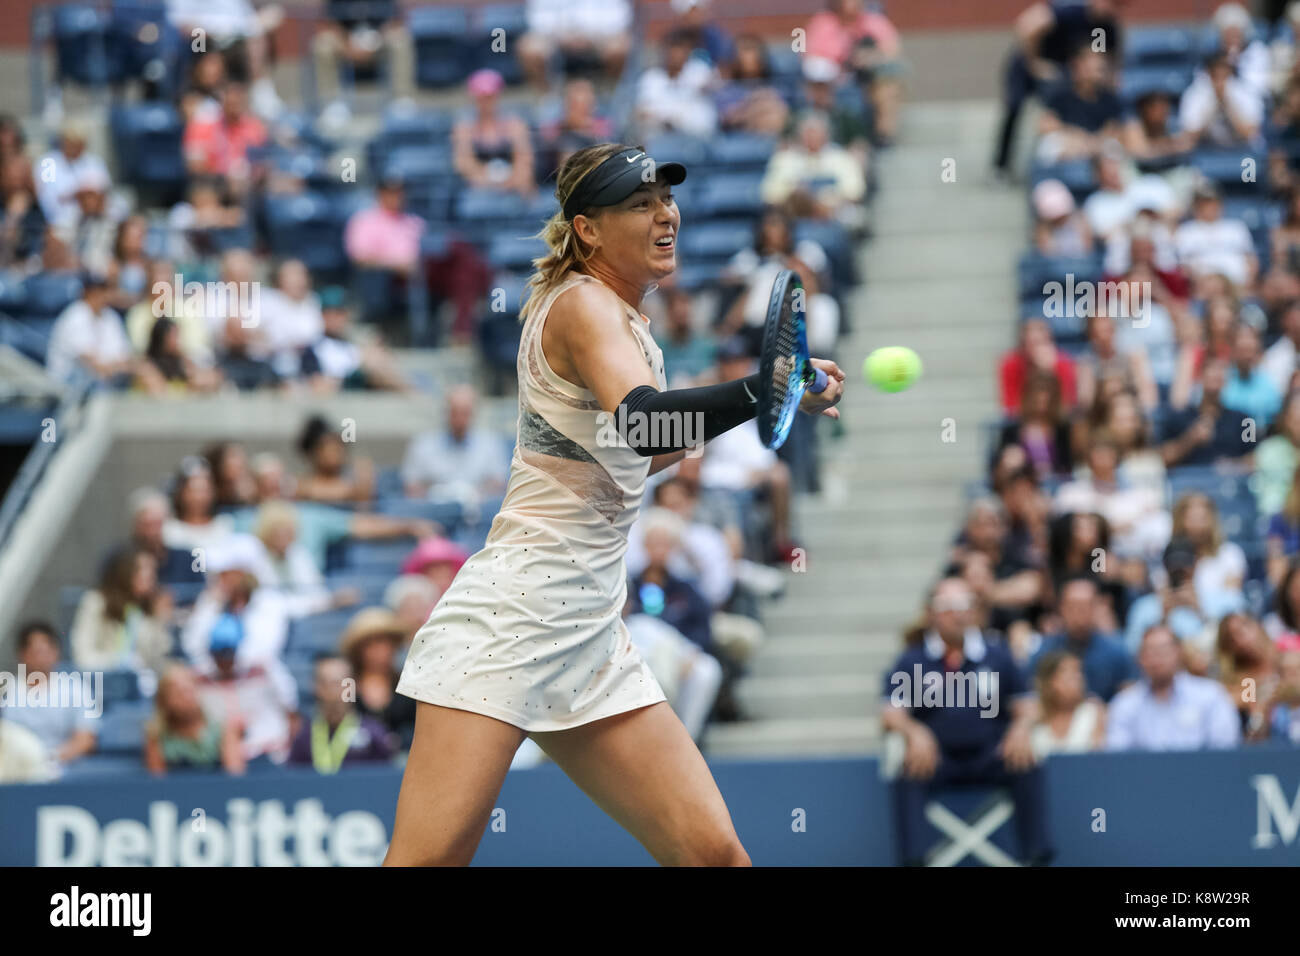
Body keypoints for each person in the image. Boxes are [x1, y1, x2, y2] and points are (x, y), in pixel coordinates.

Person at [384, 141, 843, 867]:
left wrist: (774, 389)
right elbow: (645, 421)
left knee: (714, 856)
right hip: (510, 619)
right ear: (588, 229)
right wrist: (760, 390)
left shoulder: (630, 328)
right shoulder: (583, 306)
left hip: (589, 631)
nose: (667, 215)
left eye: (667, 199)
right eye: (641, 203)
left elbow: (647, 452)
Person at [881, 578, 1052, 867]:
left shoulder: (997, 653)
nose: (958, 614)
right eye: (948, 606)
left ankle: (1036, 855)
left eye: (964, 605)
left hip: (992, 755)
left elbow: (1028, 705)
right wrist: (915, 732)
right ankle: (912, 860)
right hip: (936, 759)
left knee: (1027, 761)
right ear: (931, 612)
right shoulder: (911, 661)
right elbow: (890, 713)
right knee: (907, 771)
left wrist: (1021, 728)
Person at [992, 0, 1124, 176]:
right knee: (1015, 106)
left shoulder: (1107, 28)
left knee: (1066, 102)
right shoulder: (1071, 12)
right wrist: (1034, 63)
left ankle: (1066, 161)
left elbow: (1111, 61)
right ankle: (1001, 166)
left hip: (1063, 71)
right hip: (1030, 67)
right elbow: (1027, 25)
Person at [1105, 624, 1242, 750]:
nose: (1156, 658)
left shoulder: (1210, 695)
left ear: (1179, 652)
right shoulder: (1124, 703)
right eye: (1149, 652)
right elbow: (1118, 755)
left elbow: (1225, 749)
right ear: (1140, 658)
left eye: (1162, 650)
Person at [4, 623, 98, 771]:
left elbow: (85, 740)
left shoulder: (75, 689)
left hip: (62, 768)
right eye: (35, 651)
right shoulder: (6, 690)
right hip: (15, 769)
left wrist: (50, 758)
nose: (41, 657)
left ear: (56, 652)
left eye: (46, 651)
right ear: (22, 654)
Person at [69, 546, 173, 677]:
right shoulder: (96, 602)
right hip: (102, 681)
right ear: (126, 572)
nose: (152, 576)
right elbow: (82, 656)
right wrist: (119, 663)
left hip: (141, 686)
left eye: (153, 570)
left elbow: (158, 658)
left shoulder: (148, 610)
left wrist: (161, 620)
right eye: (144, 569)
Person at [1027, 576, 1136, 702]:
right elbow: (1031, 694)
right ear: (1062, 608)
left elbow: (1129, 699)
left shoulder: (1117, 651)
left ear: (1096, 608)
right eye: (1073, 606)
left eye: (1085, 606)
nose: (1079, 613)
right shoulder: (1045, 651)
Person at [400, 384, 510, 508]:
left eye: (465, 413)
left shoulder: (491, 443)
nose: (459, 419)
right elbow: (411, 486)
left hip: (478, 513)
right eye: (455, 412)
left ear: (474, 413)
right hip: (434, 512)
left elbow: (499, 483)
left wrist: (476, 494)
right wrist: (434, 495)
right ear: (446, 412)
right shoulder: (423, 444)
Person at [288, 654, 393, 771]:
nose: (338, 690)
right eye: (328, 683)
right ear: (316, 687)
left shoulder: (374, 734)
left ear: (355, 686)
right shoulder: (304, 737)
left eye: (345, 683)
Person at [144, 661, 243, 775]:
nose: (186, 698)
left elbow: (235, 778)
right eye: (178, 694)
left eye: (189, 691)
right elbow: (157, 783)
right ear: (164, 701)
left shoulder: (224, 729)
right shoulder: (155, 735)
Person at [339, 608, 417, 751]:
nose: (381, 651)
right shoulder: (348, 685)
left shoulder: (407, 684)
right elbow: (343, 722)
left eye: (387, 643)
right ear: (359, 650)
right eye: (372, 644)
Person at [453, 69, 535, 196]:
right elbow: (464, 164)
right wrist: (489, 180)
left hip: (514, 186)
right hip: (479, 188)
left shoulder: (515, 125)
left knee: (525, 184)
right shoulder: (464, 128)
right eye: (481, 97)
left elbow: (524, 160)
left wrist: (511, 180)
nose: (486, 102)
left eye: (490, 97)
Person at [46, 271, 134, 386]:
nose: (101, 295)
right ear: (86, 292)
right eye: (96, 290)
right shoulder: (75, 316)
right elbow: (91, 363)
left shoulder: (110, 316)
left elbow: (125, 357)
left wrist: (119, 367)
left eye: (103, 290)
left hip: (102, 379)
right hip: (67, 382)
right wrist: (116, 367)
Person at [634, 28, 718, 138]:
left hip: (695, 139)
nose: (676, 54)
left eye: (681, 49)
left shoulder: (700, 72)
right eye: (672, 49)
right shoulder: (651, 78)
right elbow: (642, 113)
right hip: (661, 139)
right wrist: (669, 118)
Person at [1030, 649, 1106, 757]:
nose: (1078, 678)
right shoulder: (1033, 717)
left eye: (1079, 672)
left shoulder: (1093, 712)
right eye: (1069, 673)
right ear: (1050, 681)